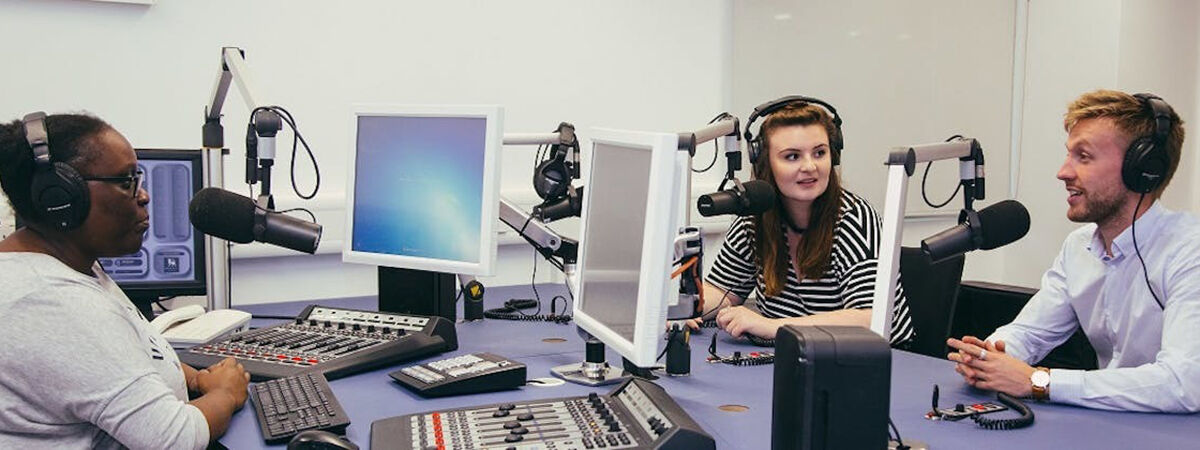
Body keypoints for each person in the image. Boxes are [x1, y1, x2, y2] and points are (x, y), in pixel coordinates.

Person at [0, 112, 251, 448]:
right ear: (61, 198)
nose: (143, 196)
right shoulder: (52, 303)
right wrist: (226, 392)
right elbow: (174, 439)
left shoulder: (64, 265)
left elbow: (138, 353)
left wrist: (193, 378)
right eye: (125, 181)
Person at [947, 89, 1200, 413]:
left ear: (1143, 169)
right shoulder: (1079, 247)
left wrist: (1040, 382)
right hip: (1117, 422)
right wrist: (990, 357)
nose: (1063, 172)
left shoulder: (1188, 251)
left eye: (1084, 156)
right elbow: (1030, 333)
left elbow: (1184, 383)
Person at [694, 98, 914, 345]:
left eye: (820, 153)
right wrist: (685, 310)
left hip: (872, 365)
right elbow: (722, 292)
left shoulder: (855, 220)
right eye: (792, 157)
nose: (810, 166)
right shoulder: (754, 220)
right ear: (766, 164)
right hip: (793, 362)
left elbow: (873, 319)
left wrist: (773, 327)